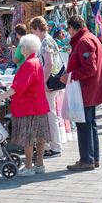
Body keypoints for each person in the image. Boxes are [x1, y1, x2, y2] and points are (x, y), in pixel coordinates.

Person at [61, 15, 102, 171]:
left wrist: (70, 75)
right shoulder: (89, 37)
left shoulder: (84, 41)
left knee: (84, 125)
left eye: (68, 29)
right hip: (89, 89)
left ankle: (87, 160)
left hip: (86, 90)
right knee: (90, 125)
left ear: (72, 27)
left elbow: (90, 68)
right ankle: (93, 158)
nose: (68, 32)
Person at [0, 34, 51, 177]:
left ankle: (28, 167)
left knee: (28, 137)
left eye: (20, 46)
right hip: (38, 104)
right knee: (40, 136)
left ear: (25, 48)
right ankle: (39, 164)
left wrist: (1, 97)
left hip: (29, 106)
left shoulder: (29, 64)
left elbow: (18, 87)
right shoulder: (36, 61)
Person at [30, 16, 63, 158]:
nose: (32, 33)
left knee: (50, 114)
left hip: (49, 83)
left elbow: (48, 64)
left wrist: (43, 82)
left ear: (37, 28)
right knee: (49, 114)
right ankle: (50, 145)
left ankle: (55, 146)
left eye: (32, 30)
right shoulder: (48, 40)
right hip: (50, 81)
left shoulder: (45, 42)